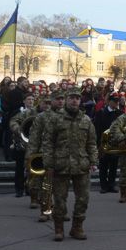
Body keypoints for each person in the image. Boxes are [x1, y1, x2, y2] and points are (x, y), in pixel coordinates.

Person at [42, 88, 98, 241]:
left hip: (81, 165)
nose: (75, 101)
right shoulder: (55, 119)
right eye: (72, 98)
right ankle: (59, 228)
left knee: (83, 199)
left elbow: (92, 143)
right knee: (60, 199)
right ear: (66, 99)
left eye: (77, 98)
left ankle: (77, 227)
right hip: (61, 164)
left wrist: (94, 161)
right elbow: (47, 143)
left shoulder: (86, 120)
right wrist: (48, 164)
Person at [27, 92, 64, 221]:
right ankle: (45, 210)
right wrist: (31, 157)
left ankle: (60, 211)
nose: (60, 102)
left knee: (61, 187)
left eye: (62, 99)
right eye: (57, 99)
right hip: (45, 153)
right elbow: (34, 137)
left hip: (63, 155)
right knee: (46, 185)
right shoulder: (42, 117)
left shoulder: (67, 115)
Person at [93, 94, 123, 194]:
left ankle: (111, 185)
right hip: (103, 143)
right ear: (109, 101)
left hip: (115, 143)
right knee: (103, 166)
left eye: (117, 101)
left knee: (114, 166)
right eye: (114, 101)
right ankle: (103, 186)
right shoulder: (100, 113)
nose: (116, 103)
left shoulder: (120, 113)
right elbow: (97, 129)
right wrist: (98, 145)